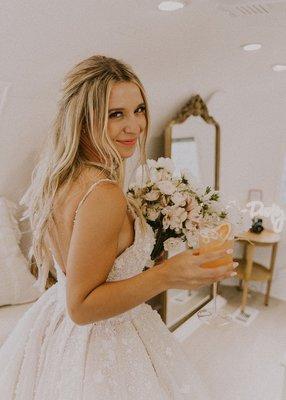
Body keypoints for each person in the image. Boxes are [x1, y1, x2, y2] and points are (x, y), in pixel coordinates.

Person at [0, 55, 236, 399]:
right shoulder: (103, 193)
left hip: (55, 326)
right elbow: (81, 307)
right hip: (101, 340)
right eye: (116, 114)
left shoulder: (65, 178)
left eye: (138, 110)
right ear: (82, 121)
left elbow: (86, 269)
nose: (135, 126)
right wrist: (168, 274)